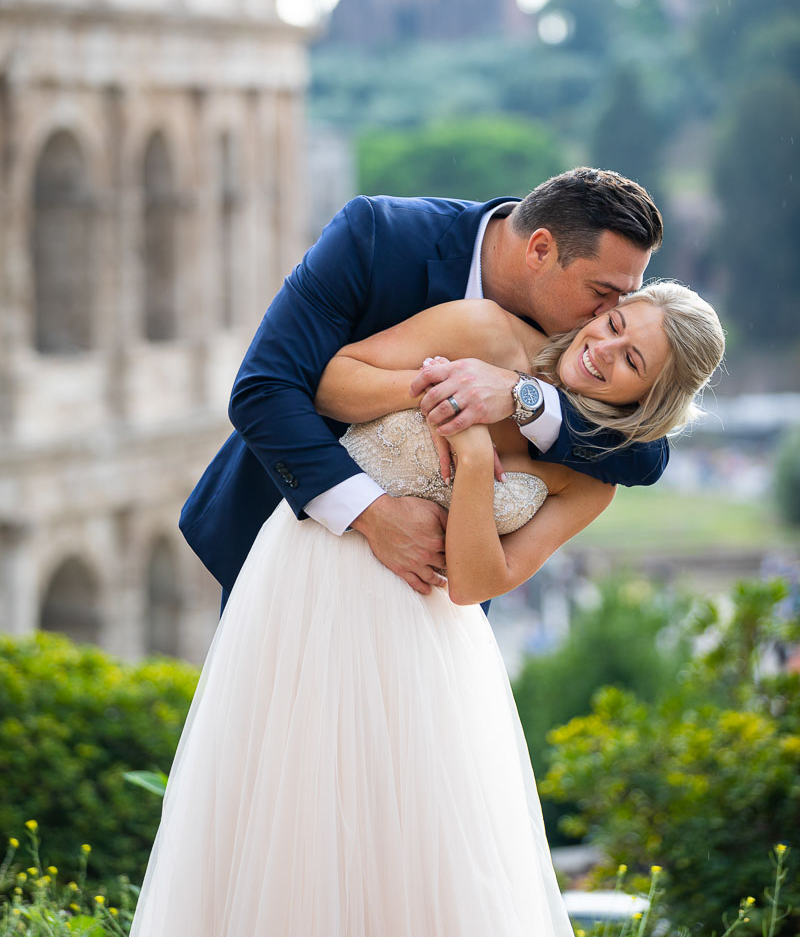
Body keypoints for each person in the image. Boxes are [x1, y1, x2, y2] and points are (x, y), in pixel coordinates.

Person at [121, 281, 724, 937]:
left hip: (425, 636)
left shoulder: (591, 480)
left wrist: (471, 456)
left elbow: (475, 582)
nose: (603, 348)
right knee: (291, 812)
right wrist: (434, 391)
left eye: (631, 361)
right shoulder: (485, 332)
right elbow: (332, 381)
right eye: (613, 323)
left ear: (651, 398)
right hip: (312, 581)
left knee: (411, 847)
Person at [180, 168, 667, 610]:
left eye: (624, 300)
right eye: (602, 294)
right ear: (540, 250)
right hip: (293, 551)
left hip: (430, 613)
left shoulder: (589, 342)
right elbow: (264, 388)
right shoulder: (375, 236)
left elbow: (646, 455)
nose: (607, 318)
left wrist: (521, 396)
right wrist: (372, 512)